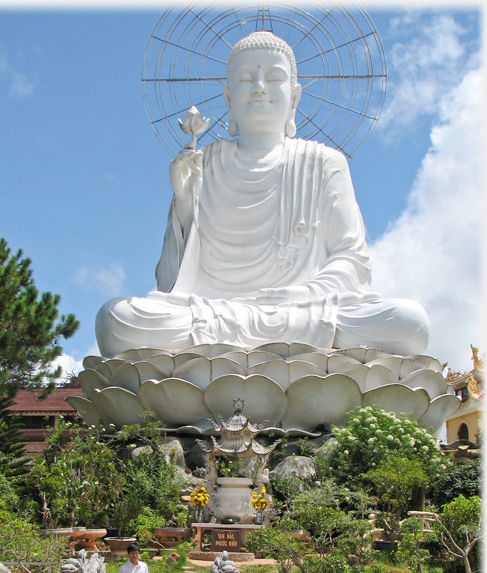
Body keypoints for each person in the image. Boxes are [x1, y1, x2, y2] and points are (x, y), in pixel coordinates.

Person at [96, 31, 429, 358]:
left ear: (294, 97)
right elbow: (170, 284)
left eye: (273, 79)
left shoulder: (325, 162)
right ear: (228, 98)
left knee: (409, 322)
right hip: (213, 314)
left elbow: (351, 261)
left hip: (302, 311)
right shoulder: (203, 164)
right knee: (114, 319)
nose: (259, 89)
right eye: (245, 80)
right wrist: (185, 207)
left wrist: (303, 296)